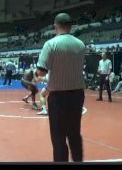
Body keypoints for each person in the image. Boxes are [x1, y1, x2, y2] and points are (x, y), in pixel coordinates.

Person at [36, 13, 86, 162]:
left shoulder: (50, 44)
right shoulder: (80, 44)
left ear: (55, 26)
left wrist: (35, 72)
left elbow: (41, 72)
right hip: (77, 94)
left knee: (58, 137)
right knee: (74, 133)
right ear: (70, 26)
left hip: (58, 97)